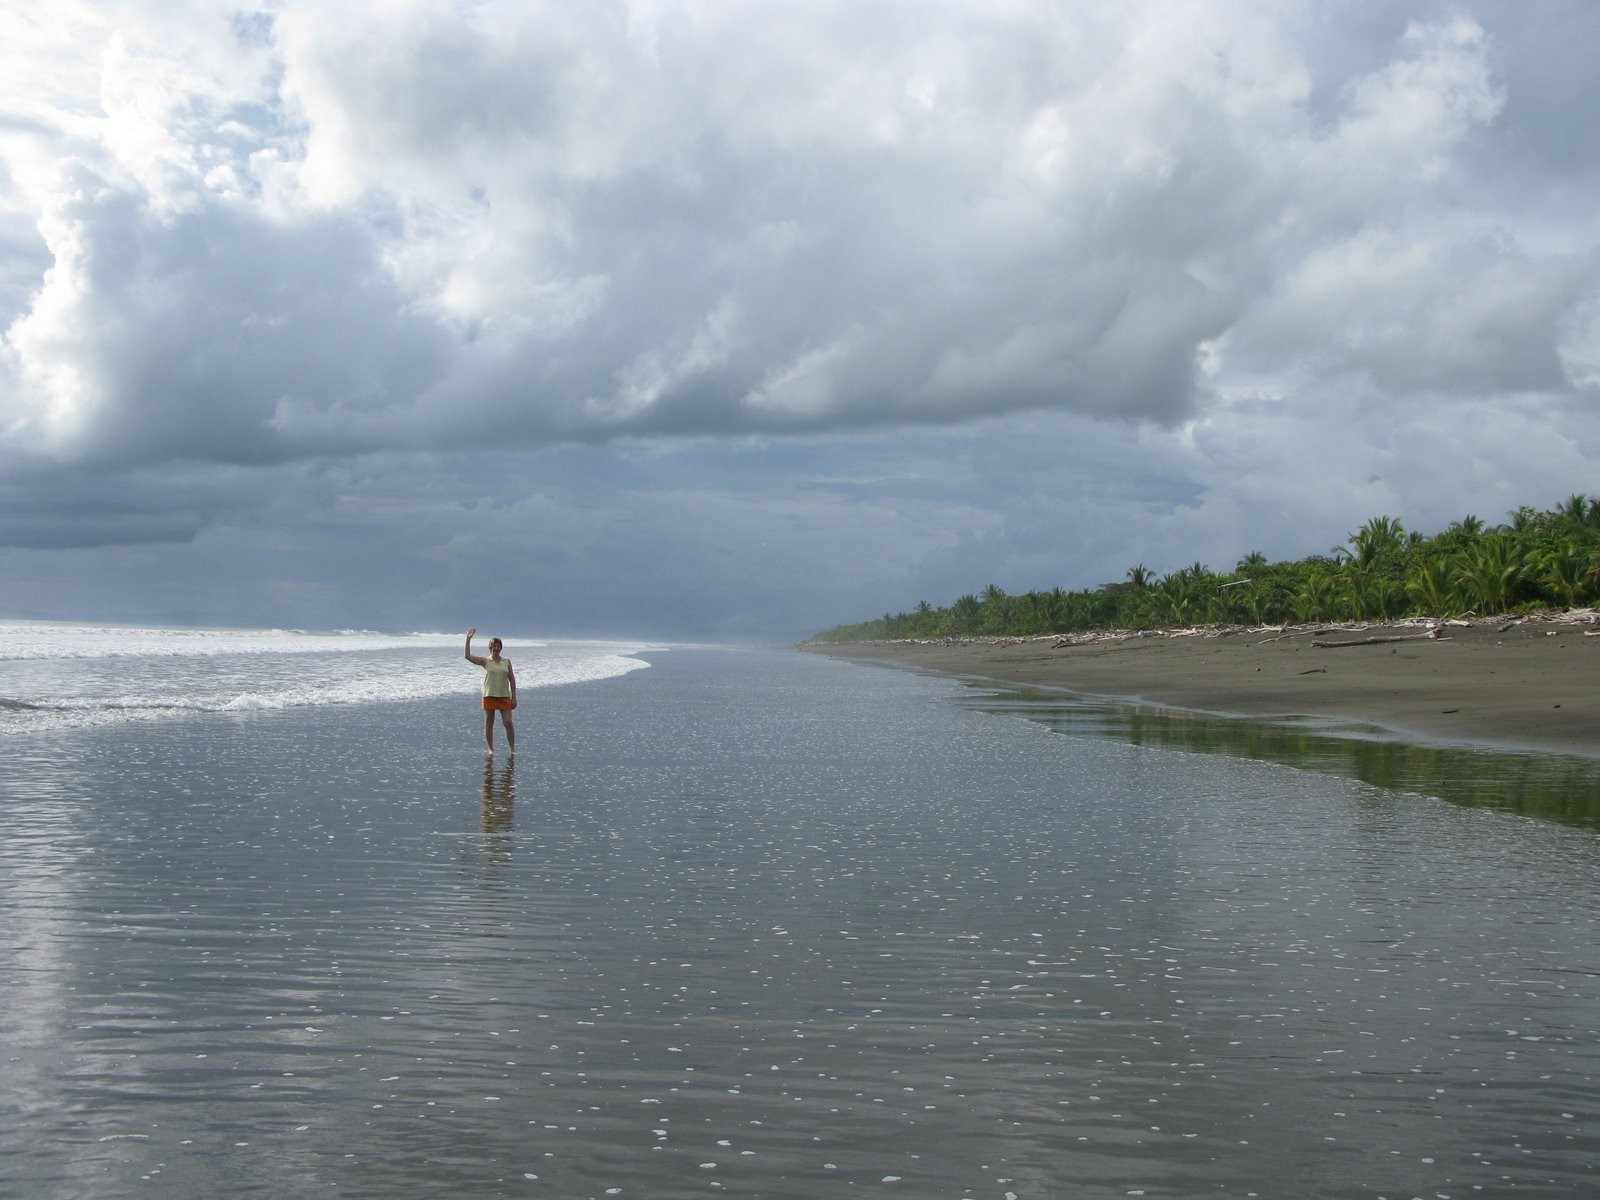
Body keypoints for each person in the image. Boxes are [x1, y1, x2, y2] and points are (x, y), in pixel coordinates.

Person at [465, 628, 517, 755]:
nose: (496, 649)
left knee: (508, 722)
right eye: (494, 646)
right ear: (490, 648)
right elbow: (467, 656)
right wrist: (468, 639)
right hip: (489, 695)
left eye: (498, 646)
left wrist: (514, 697)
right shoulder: (486, 661)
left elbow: (512, 679)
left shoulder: (506, 661)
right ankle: (491, 749)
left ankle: (512, 749)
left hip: (504, 696)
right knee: (489, 723)